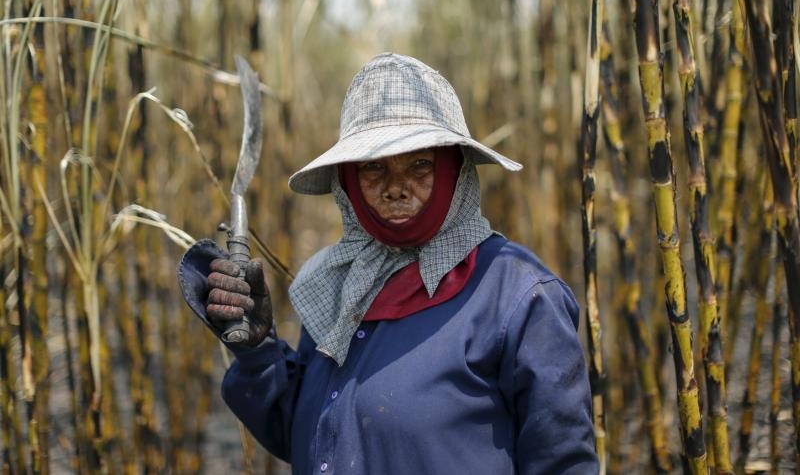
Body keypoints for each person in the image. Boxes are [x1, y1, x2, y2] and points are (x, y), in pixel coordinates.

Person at [178, 53, 598, 474]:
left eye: (420, 164)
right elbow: (320, 437)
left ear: (454, 170)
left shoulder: (516, 296)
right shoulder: (339, 283)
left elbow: (562, 462)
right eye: (373, 168)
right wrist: (258, 352)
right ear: (348, 180)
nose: (396, 187)